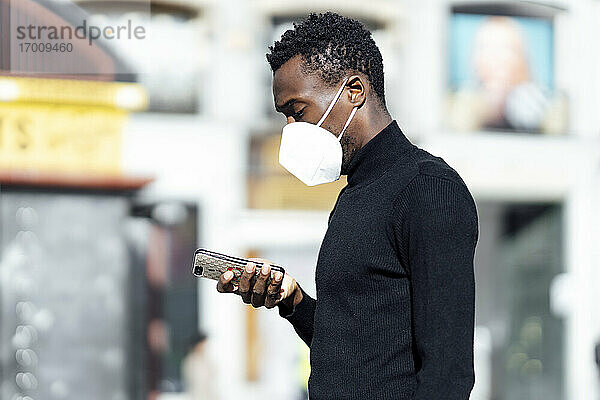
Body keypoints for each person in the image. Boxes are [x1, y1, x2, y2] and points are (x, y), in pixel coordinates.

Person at [217, 12, 479, 399]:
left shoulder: (428, 188)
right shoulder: (354, 193)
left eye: (298, 111)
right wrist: (293, 302)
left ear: (354, 90)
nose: (291, 130)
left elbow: (448, 371)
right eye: (284, 117)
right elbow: (352, 350)